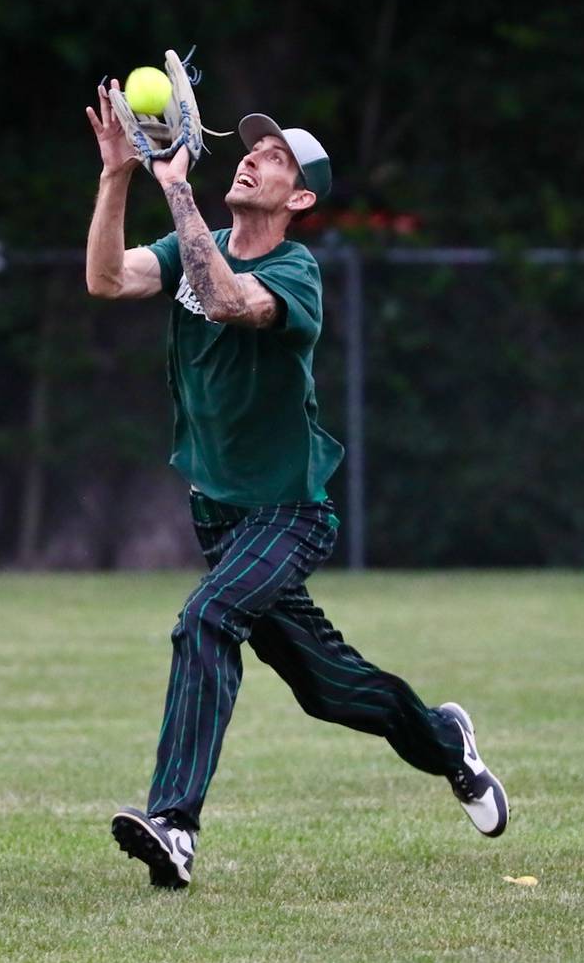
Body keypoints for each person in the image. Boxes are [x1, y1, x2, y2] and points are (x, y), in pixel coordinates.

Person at [84, 81, 509, 891]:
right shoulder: (190, 242)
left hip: (289, 511)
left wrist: (173, 187)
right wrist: (116, 177)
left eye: (275, 157)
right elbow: (107, 279)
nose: (252, 156)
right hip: (220, 515)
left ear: (300, 196)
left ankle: (174, 824)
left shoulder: (296, 269)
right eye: (252, 147)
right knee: (330, 688)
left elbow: (228, 298)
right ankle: (447, 741)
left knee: (206, 617)